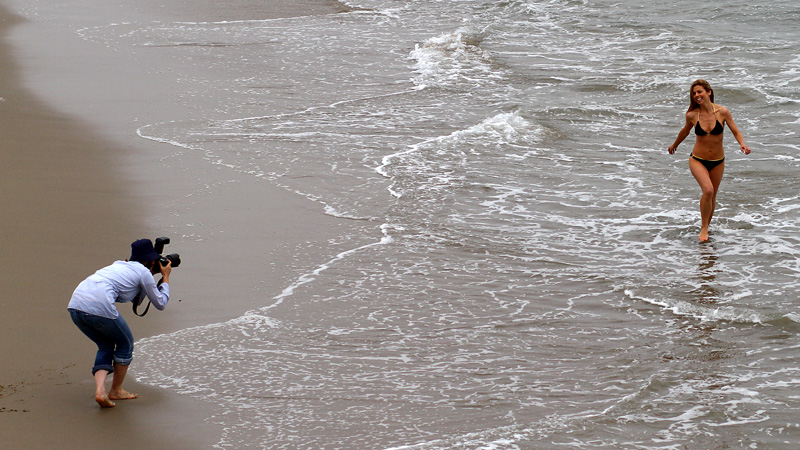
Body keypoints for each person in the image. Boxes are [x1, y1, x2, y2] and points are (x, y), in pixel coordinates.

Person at [67, 239, 172, 408]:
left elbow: (136, 302)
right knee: (125, 344)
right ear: (149, 261)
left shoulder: (118, 266)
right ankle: (116, 390)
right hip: (98, 307)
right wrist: (165, 277)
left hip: (75, 306)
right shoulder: (143, 273)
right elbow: (160, 303)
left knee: (105, 346)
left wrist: (150, 277)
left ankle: (100, 391)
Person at [668, 79, 751, 242]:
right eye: (694, 93)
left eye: (699, 92)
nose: (697, 95)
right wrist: (674, 145)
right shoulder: (692, 115)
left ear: (709, 92)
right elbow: (684, 131)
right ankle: (704, 228)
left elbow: (735, 130)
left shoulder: (723, 112)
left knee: (712, 196)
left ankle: (707, 226)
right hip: (698, 159)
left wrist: (742, 144)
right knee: (708, 190)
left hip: (718, 161)